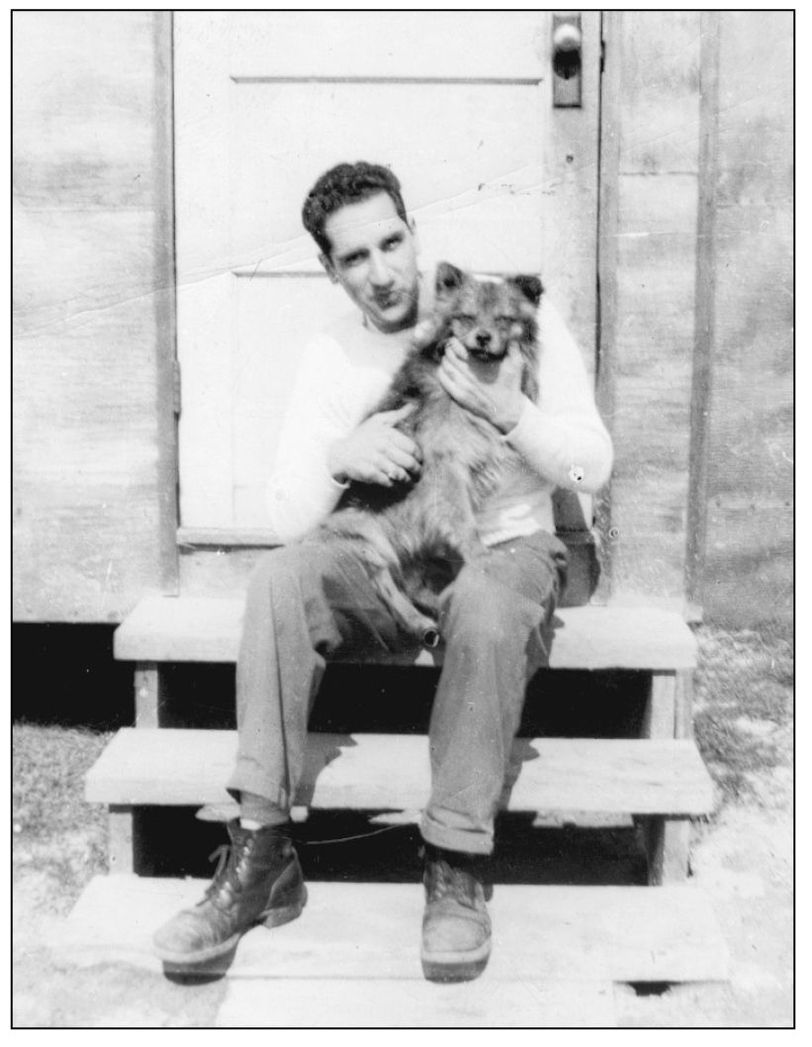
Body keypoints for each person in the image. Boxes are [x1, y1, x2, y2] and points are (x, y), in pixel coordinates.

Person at [153, 161, 613, 981]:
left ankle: (456, 865)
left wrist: (512, 409)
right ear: (332, 271)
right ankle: (260, 851)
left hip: (502, 552)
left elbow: (592, 468)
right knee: (280, 580)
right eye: (356, 256)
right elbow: (289, 519)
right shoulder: (332, 353)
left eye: (392, 242)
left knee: (486, 600)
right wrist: (340, 454)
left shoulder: (504, 316)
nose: (383, 269)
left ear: (414, 235)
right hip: (389, 562)